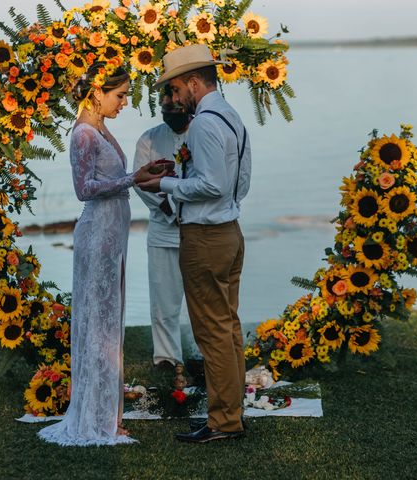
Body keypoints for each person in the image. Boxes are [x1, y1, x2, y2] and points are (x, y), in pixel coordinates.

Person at [38, 63, 168, 447]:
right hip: (97, 234)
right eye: (121, 95)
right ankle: (95, 418)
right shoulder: (83, 134)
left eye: (126, 95)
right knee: (98, 323)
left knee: (110, 322)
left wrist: (146, 173)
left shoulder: (102, 128)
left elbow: (112, 178)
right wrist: (134, 178)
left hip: (114, 234)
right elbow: (84, 189)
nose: (126, 102)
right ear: (97, 92)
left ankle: (108, 413)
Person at [139, 44, 252, 443]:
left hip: (205, 237)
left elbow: (212, 184)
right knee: (229, 328)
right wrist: (226, 207)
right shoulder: (232, 116)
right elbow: (240, 183)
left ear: (192, 82)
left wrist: (164, 183)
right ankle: (233, 413)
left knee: (212, 333)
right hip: (230, 231)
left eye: (174, 87)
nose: (174, 97)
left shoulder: (204, 122)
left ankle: (224, 421)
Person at [133, 86, 191, 371]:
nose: (168, 104)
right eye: (163, 100)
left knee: (202, 304)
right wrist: (169, 210)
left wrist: (187, 212)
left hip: (198, 230)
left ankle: (205, 356)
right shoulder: (149, 139)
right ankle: (167, 359)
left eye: (173, 98)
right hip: (162, 232)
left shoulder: (203, 134)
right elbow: (141, 184)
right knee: (163, 304)